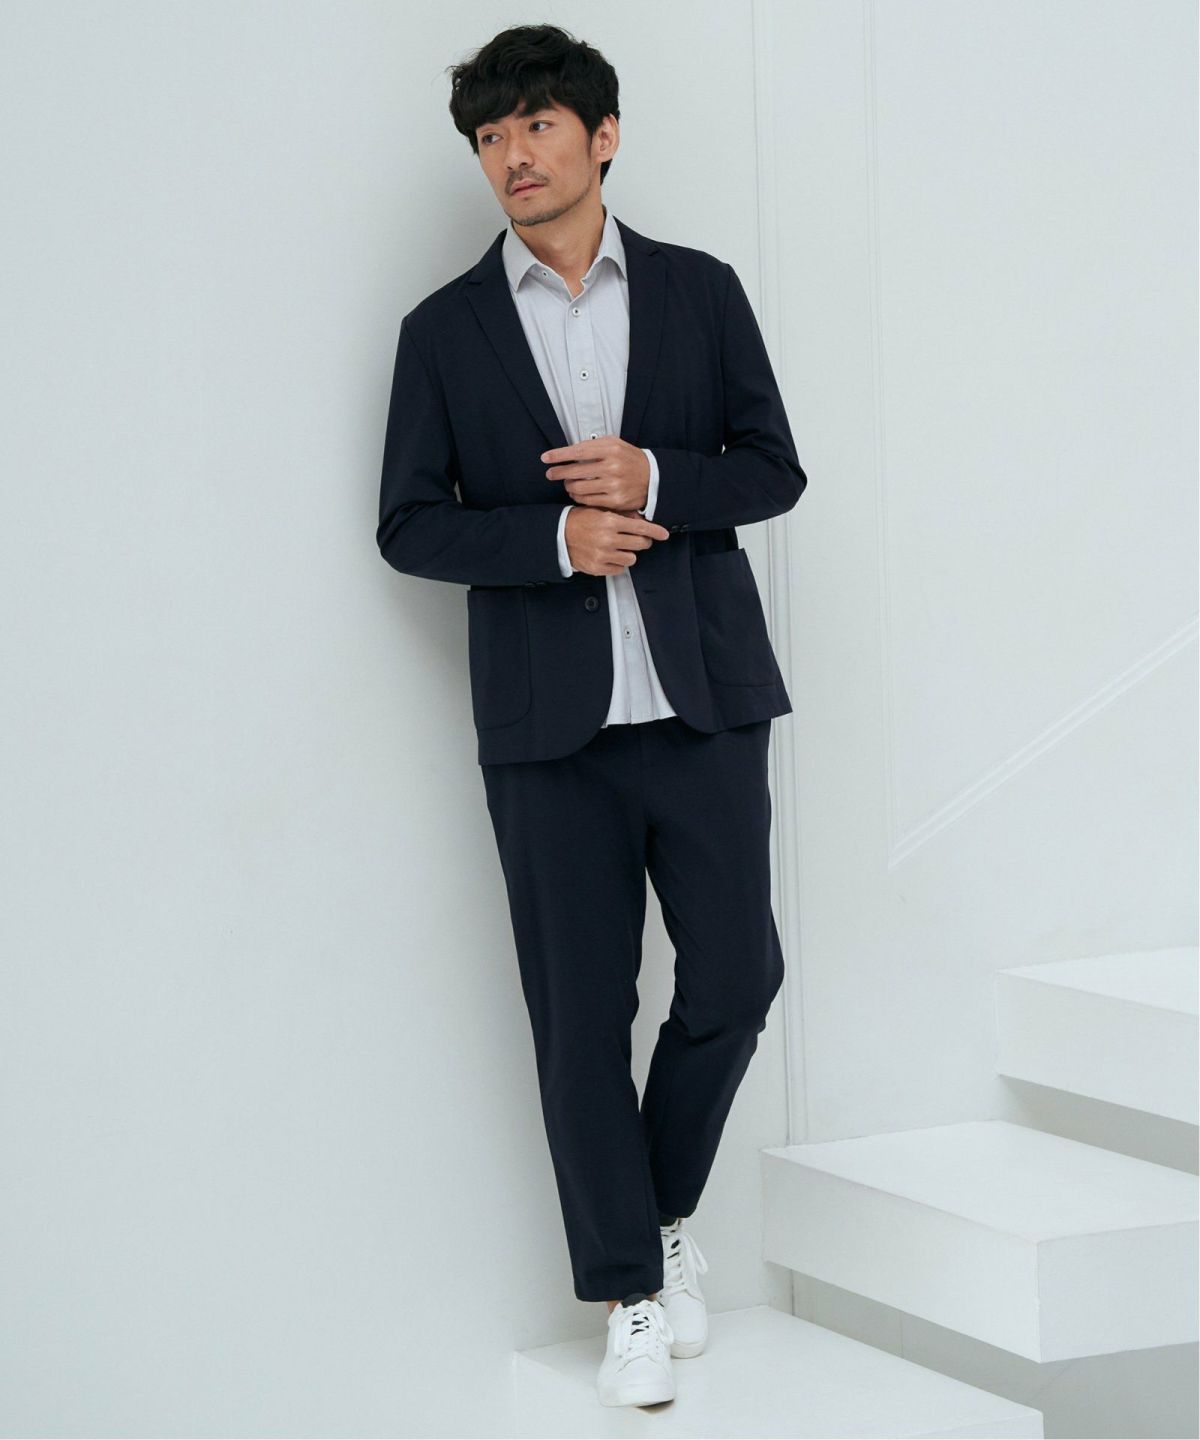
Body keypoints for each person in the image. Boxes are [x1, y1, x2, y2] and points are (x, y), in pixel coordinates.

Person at [377, 21, 806, 1410]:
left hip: (704, 704)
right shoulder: (442, 332)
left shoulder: (699, 291)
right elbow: (408, 525)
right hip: (547, 734)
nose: (513, 154)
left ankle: (658, 1213)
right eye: (491, 135)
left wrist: (656, 477)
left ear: (602, 136)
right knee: (580, 1018)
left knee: (736, 979)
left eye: (539, 125)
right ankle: (630, 1291)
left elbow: (774, 469)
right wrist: (555, 542)